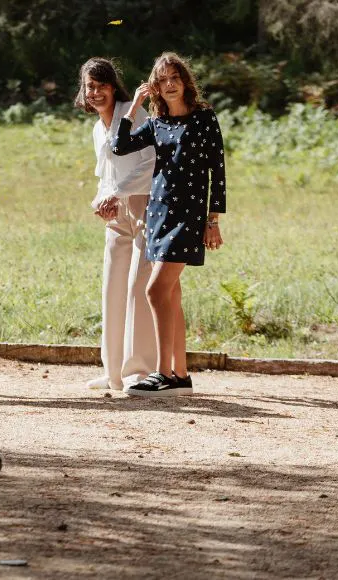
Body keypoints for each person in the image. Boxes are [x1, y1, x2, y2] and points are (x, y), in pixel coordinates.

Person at [111, 52, 227, 397]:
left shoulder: (204, 119)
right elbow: (119, 146)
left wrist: (213, 218)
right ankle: (180, 374)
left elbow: (217, 172)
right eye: (162, 80)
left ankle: (164, 374)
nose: (170, 84)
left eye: (175, 77)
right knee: (171, 294)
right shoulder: (158, 123)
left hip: (189, 216)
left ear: (185, 81)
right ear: (156, 87)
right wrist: (134, 105)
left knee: (155, 290)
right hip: (158, 213)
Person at [74, 57, 157, 391]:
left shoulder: (135, 113)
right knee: (113, 286)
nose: (96, 92)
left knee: (139, 287)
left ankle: (138, 371)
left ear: (113, 86)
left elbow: (152, 163)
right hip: (115, 213)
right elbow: (105, 174)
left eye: (102, 85)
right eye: (90, 86)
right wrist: (101, 200)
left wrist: (118, 194)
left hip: (144, 206)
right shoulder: (97, 128)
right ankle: (113, 373)